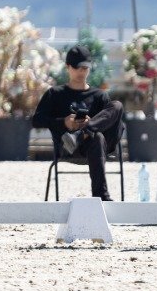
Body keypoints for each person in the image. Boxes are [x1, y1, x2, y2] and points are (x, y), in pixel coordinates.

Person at [33, 45, 124, 201]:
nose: (82, 72)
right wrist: (65, 123)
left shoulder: (99, 96)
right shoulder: (55, 94)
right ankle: (101, 197)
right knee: (97, 137)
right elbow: (36, 121)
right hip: (69, 147)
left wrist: (89, 124)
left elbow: (114, 124)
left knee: (116, 106)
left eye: (85, 68)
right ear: (68, 67)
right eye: (77, 68)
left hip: (99, 147)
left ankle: (85, 131)